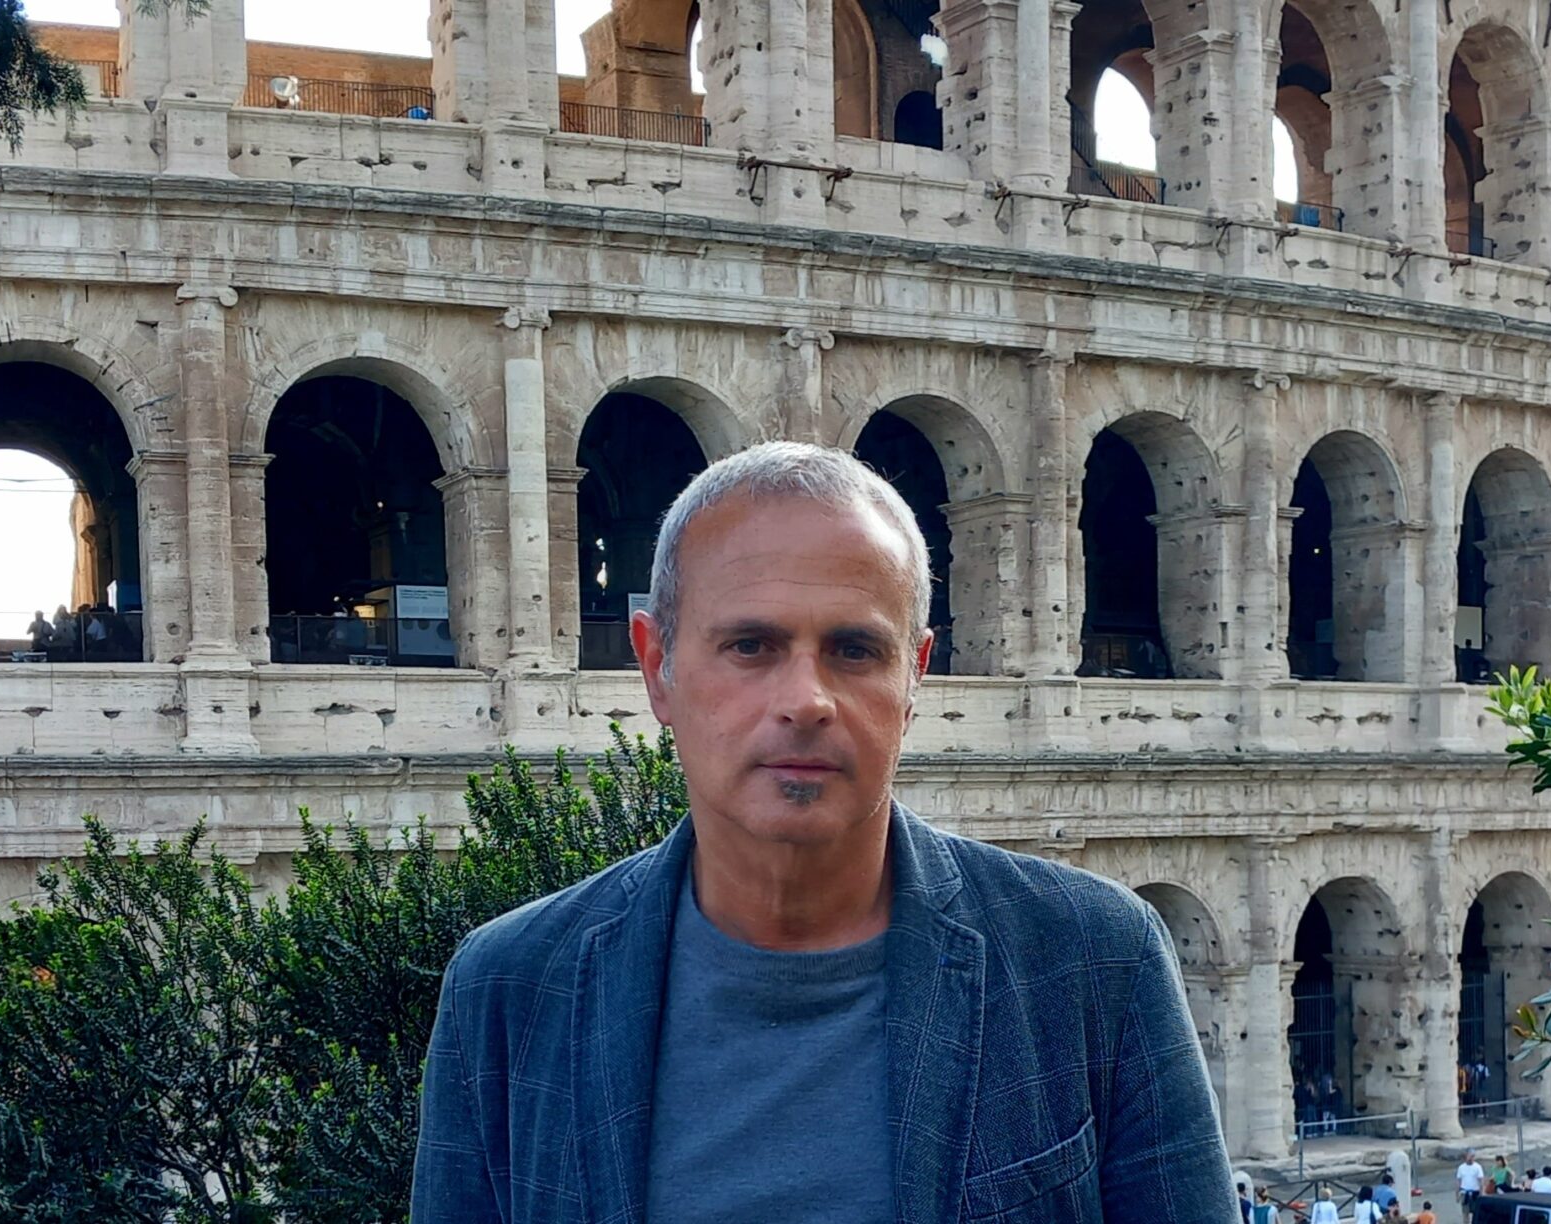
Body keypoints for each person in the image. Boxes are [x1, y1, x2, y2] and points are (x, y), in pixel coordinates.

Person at [412, 443, 1235, 1222]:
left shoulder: (1095, 958)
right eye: (751, 645)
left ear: (914, 678)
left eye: (854, 649)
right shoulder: (509, 987)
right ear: (657, 667)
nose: (805, 700)